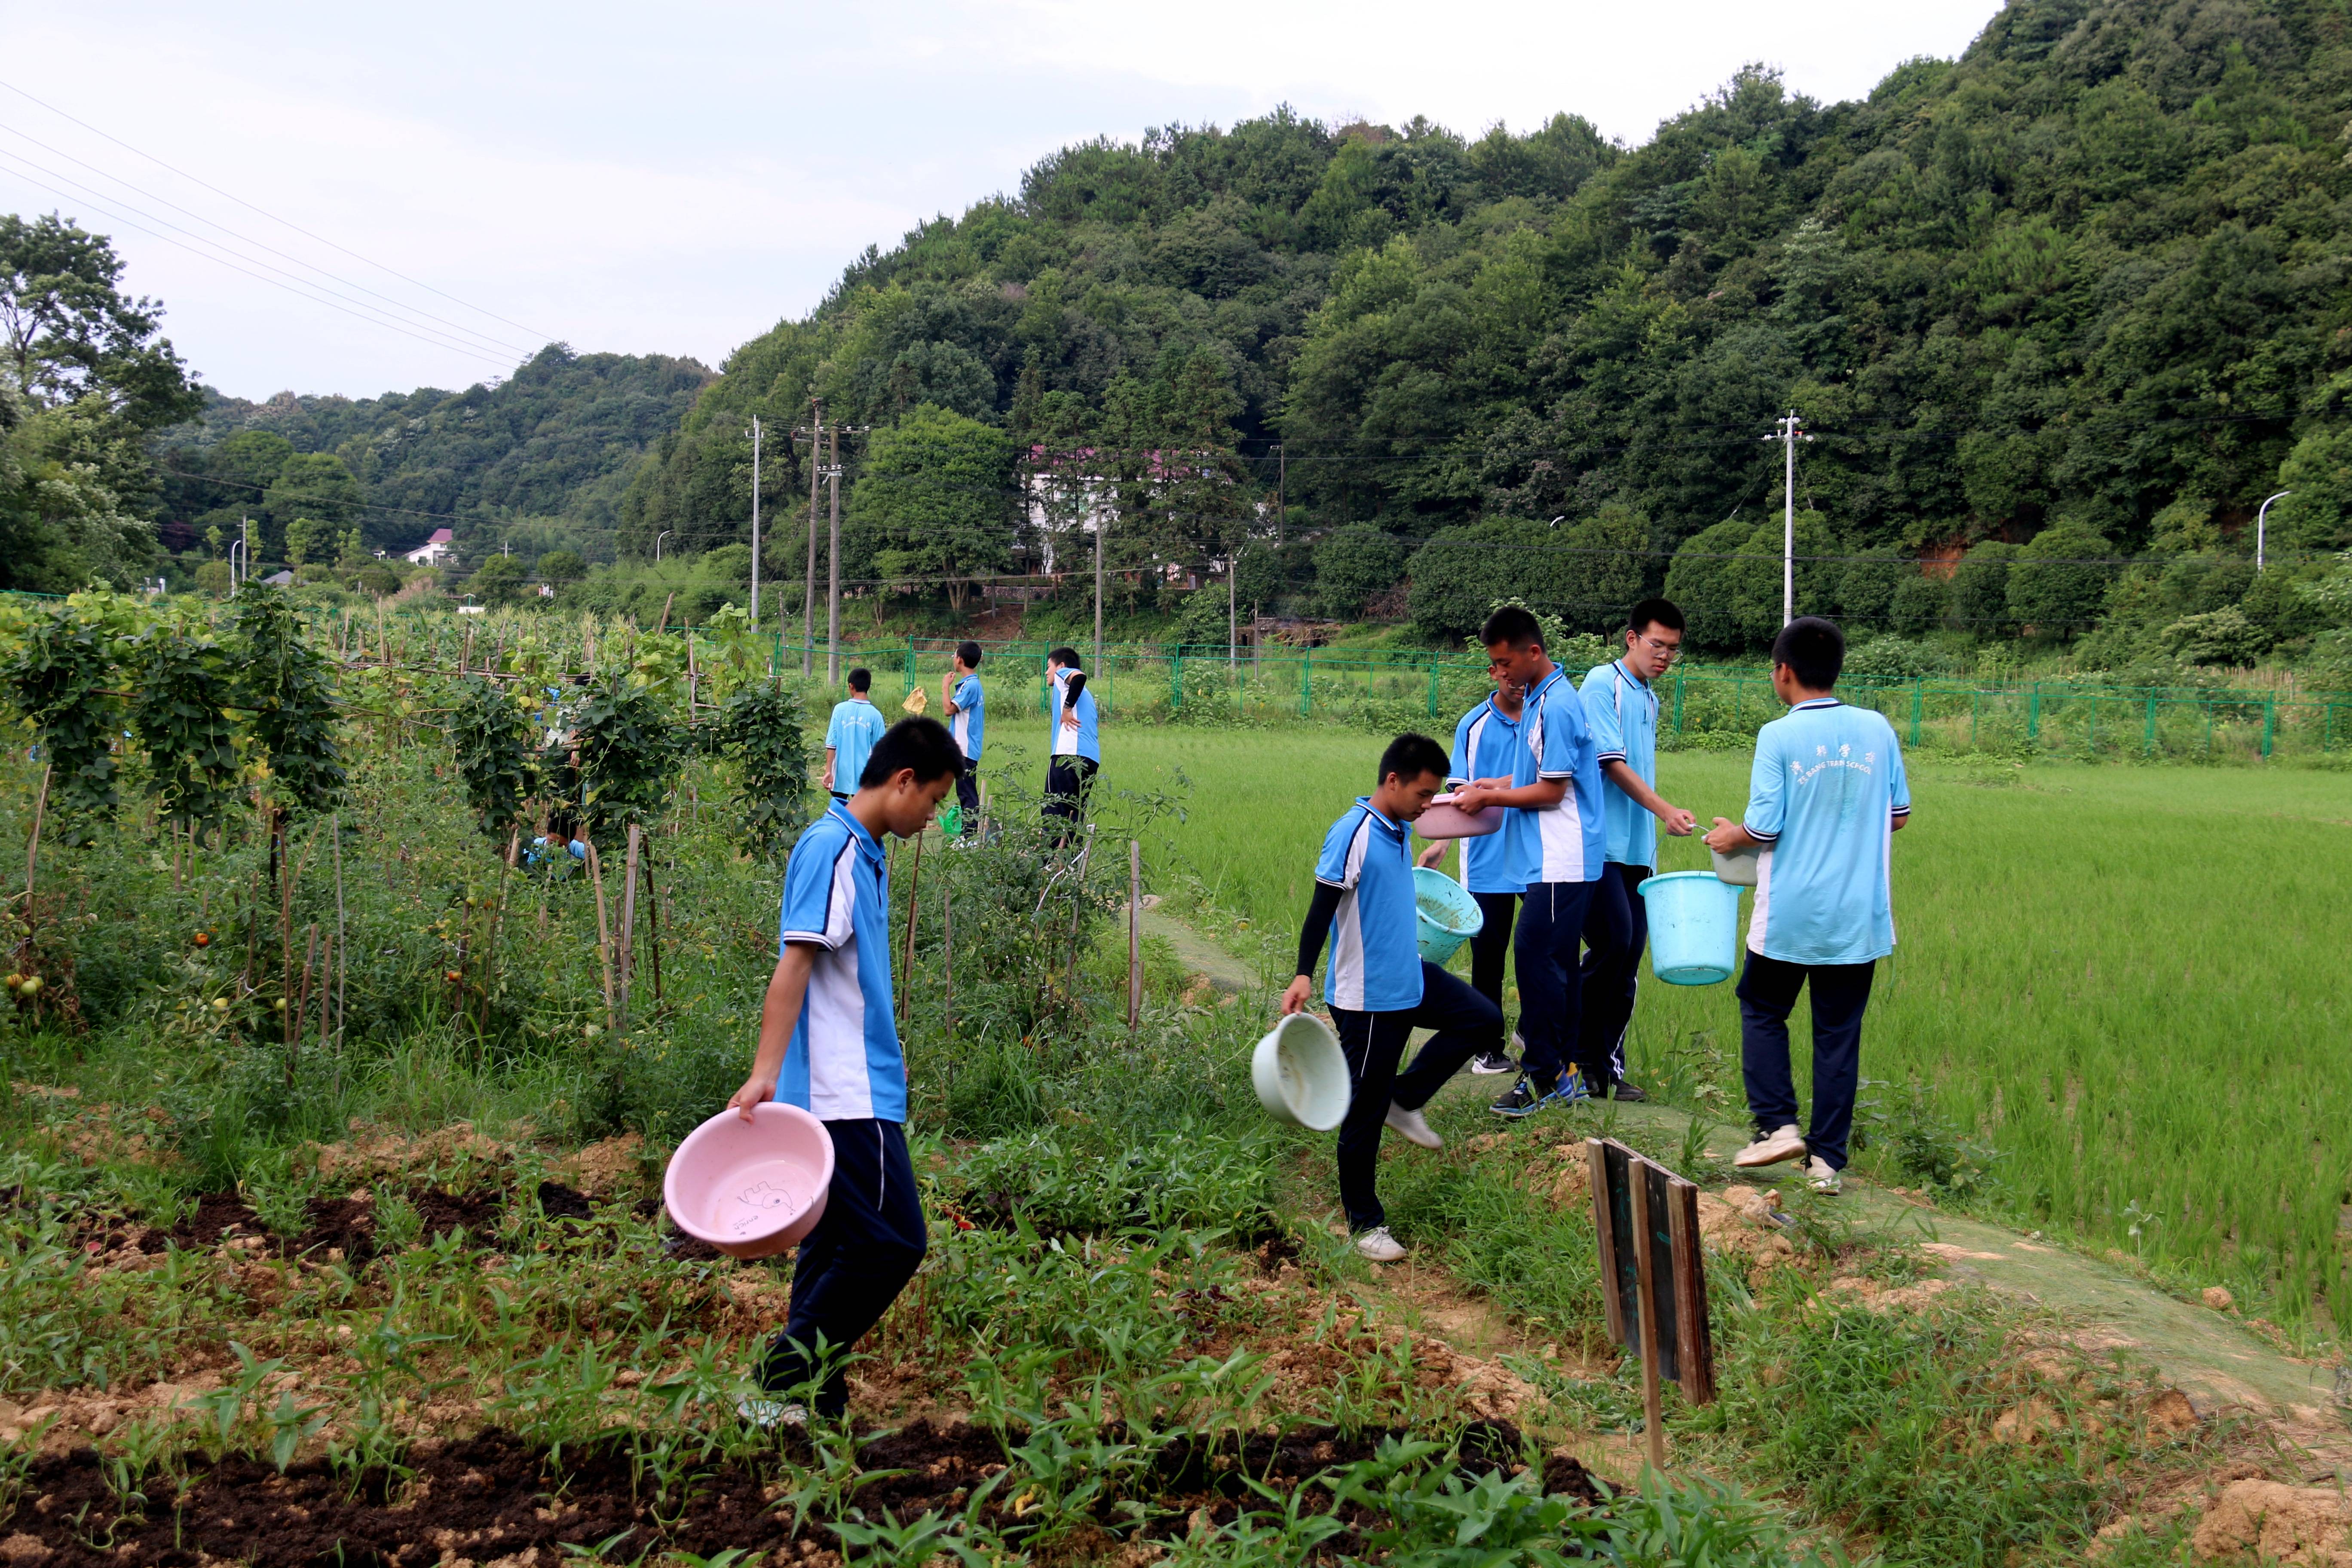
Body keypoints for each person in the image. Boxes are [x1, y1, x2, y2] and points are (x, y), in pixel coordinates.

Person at [728, 716, 964, 1424]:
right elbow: (792, 965)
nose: (933, 816)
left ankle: (813, 1401)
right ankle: (779, 1377)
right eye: (933, 799)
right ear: (902, 782)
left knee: (833, 1242)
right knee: (894, 1241)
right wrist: (766, 1072)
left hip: (845, 1085)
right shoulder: (833, 848)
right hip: (846, 1091)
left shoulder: (858, 848)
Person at [1702, 617, 1911, 1197]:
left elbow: (1764, 826)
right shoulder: (1877, 729)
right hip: (1858, 916)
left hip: (1792, 911)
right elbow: (1897, 815)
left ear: (1783, 673)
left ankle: (1776, 1125)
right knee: (1838, 1032)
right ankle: (1827, 1162)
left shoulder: (1779, 736)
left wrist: (1728, 837)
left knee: (1762, 1008)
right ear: (1836, 670)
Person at [1282, 734, 1504, 1263]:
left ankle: (1404, 1100)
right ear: (1392, 782)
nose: (1430, 804)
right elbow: (1321, 908)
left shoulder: (1398, 828)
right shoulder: (1353, 832)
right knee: (1364, 1109)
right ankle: (1365, 1224)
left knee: (1482, 1019)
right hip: (1370, 996)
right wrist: (1303, 974)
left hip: (1410, 977)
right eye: (1424, 794)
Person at [1449, 606, 1607, 1120]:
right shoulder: (1542, 699)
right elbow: (1528, 774)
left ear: (1532, 652)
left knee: (1538, 962)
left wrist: (1487, 801)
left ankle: (1542, 1077)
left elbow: (1551, 789)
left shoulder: (1557, 705)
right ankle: (1566, 1075)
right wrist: (1486, 786)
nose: (1501, 672)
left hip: (1562, 857)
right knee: (1555, 966)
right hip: (1548, 858)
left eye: (1504, 661)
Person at [1574, 600, 1700, 1101]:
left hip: (1638, 851)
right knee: (1611, 945)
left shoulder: (1648, 697)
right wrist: (1665, 809)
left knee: (1628, 958)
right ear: (1631, 639)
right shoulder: (1601, 685)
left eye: (1673, 649)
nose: (1665, 656)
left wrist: (1656, 822)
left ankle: (1606, 1068)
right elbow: (1611, 764)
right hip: (1601, 847)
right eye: (1657, 645)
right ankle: (1574, 1057)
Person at [1415, 660, 1528, 1075]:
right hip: (1487, 858)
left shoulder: (1542, 718)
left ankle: (1531, 1030)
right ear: (1494, 672)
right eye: (1508, 676)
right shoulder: (1474, 724)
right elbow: (1457, 798)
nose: (1517, 685)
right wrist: (1441, 844)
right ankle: (1488, 1049)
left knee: (1542, 949)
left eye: (1523, 677)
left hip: (1536, 856)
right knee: (1490, 955)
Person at [1043, 646, 1099, 839]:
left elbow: (1079, 677)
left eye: (1048, 666)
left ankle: (1050, 865)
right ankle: (1071, 865)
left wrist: (1067, 708)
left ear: (1061, 666)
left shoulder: (1061, 677)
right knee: (1074, 815)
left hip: (1068, 754)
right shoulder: (1087, 696)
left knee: (1054, 810)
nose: (1046, 672)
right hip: (1090, 759)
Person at [822, 668, 888, 802]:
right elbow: (880, 751)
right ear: (868, 686)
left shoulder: (839, 710)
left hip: (840, 775)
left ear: (851, 686)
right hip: (864, 778)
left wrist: (828, 771)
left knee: (840, 814)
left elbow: (832, 744)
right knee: (860, 818)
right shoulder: (875, 715)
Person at [940, 641, 985, 838]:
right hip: (965, 749)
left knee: (967, 794)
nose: (953, 658)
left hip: (965, 749)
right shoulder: (972, 684)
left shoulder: (970, 686)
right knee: (965, 792)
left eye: (954, 655)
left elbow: (949, 710)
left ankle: (969, 837)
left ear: (960, 660)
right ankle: (969, 834)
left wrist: (945, 687)